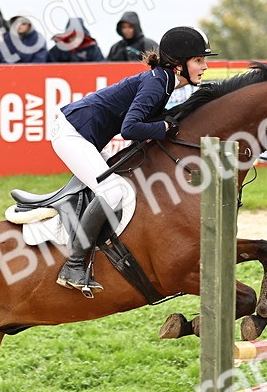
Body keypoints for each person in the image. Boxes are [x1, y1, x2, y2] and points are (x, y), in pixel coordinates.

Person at [49, 26, 214, 294]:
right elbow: (130, 128)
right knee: (112, 191)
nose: (205, 66)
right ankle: (74, 264)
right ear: (178, 64)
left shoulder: (163, 81)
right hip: (72, 134)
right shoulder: (156, 83)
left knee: (121, 186)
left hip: (84, 135)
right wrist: (164, 127)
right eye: (199, 60)